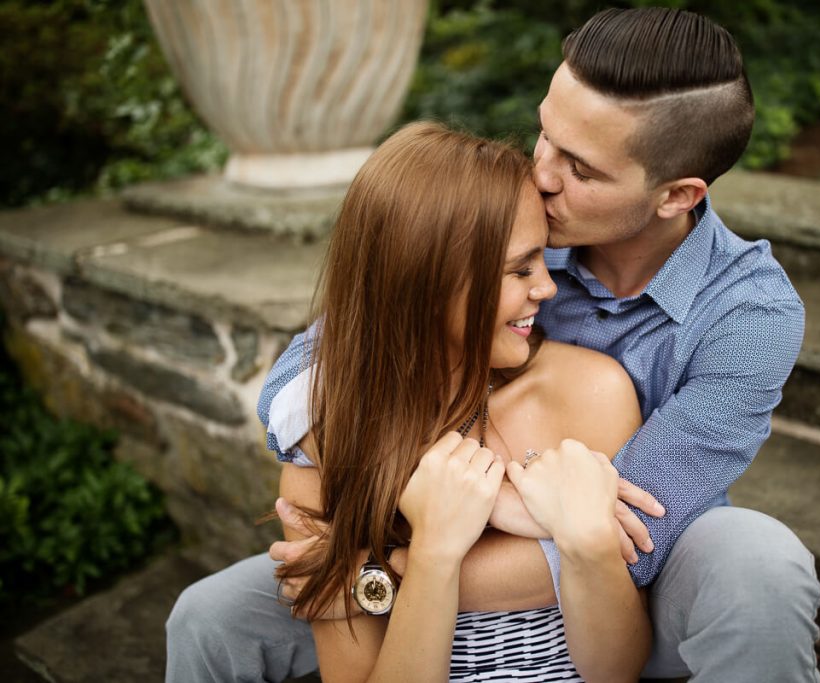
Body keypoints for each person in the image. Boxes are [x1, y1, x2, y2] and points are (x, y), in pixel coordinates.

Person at [168, 7, 820, 682]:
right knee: (210, 615)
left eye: (579, 166)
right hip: (432, 526)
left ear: (675, 195)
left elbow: (632, 541)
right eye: (546, 133)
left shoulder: (749, 316)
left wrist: (367, 567)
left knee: (759, 561)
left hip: (624, 582)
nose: (540, 173)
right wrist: (414, 513)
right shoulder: (514, 230)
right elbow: (333, 356)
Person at [171, 121, 651, 682]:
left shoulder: (592, 391)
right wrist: (434, 554)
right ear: (428, 283)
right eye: (520, 269)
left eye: (543, 259)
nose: (547, 288)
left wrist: (586, 541)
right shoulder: (330, 433)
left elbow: (618, 671)